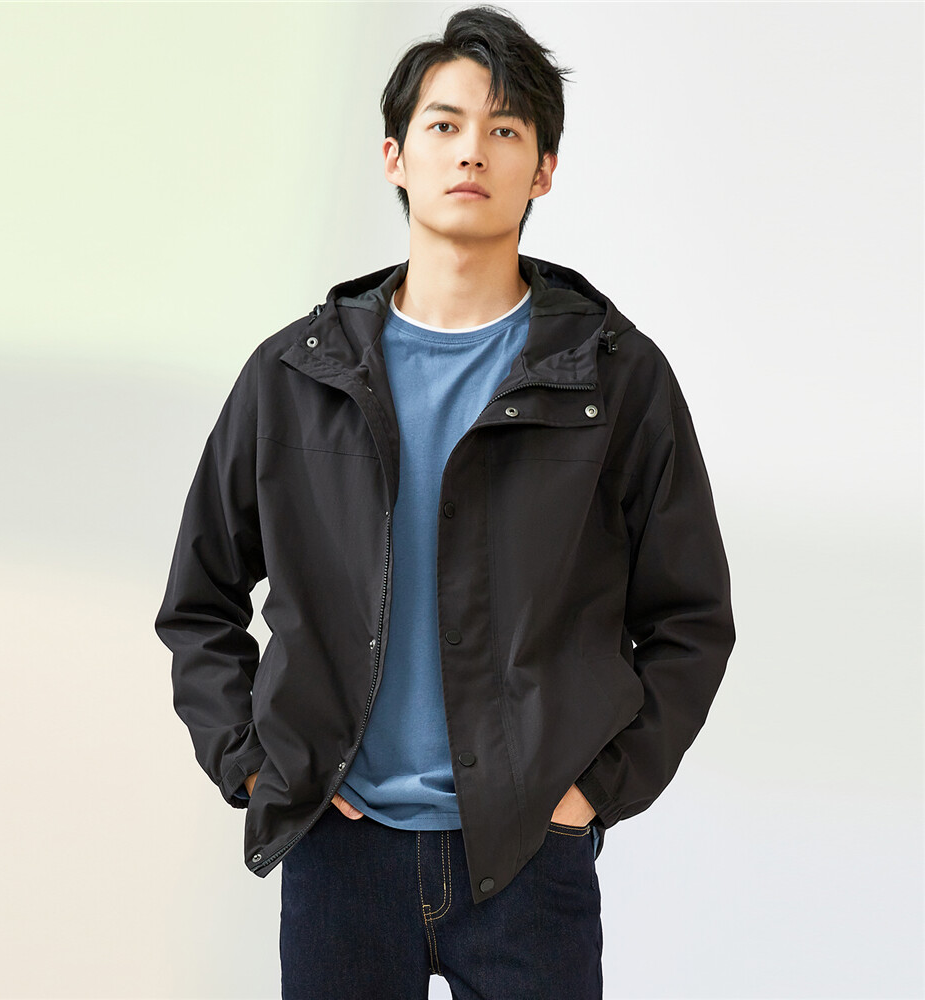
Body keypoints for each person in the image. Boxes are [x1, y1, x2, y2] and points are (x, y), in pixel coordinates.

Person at [155, 6, 735, 998]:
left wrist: (597, 788)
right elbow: (200, 602)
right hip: (340, 855)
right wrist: (254, 767)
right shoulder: (294, 377)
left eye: (505, 129)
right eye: (445, 123)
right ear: (395, 156)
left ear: (542, 169)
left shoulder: (615, 378)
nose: (472, 150)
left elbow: (689, 619)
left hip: (528, 859)